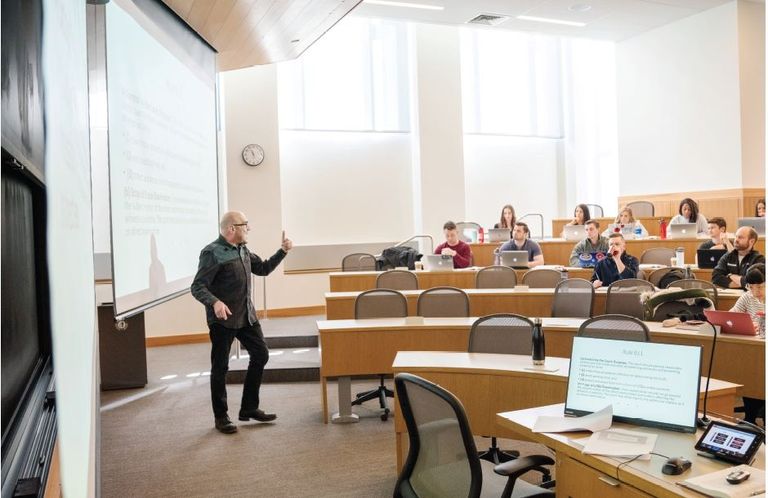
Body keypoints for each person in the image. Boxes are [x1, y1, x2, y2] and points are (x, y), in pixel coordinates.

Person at [191, 211, 293, 434]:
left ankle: (249, 408)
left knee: (261, 355)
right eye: (245, 224)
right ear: (231, 229)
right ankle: (221, 417)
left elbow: (263, 268)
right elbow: (197, 286)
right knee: (220, 367)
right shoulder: (212, 253)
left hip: (246, 316)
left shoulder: (243, 250)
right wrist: (215, 302)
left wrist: (283, 251)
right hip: (223, 320)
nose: (249, 228)